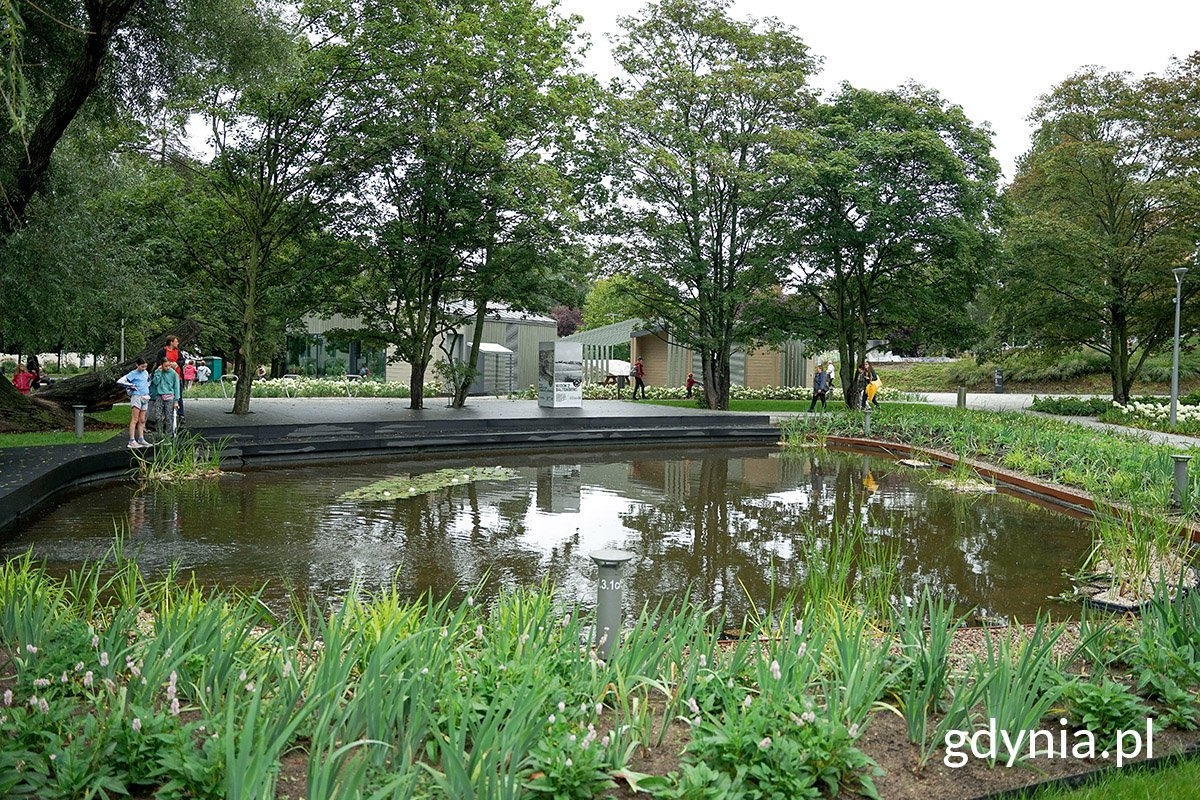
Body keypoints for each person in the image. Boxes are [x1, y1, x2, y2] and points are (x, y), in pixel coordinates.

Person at [117, 358, 151, 448]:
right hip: (136, 397)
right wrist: (131, 386)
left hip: (145, 396)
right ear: (137, 365)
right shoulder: (133, 374)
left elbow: (147, 382)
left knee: (142, 419)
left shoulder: (145, 373)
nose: (144, 368)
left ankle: (141, 438)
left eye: (145, 366)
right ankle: (131, 440)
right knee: (135, 419)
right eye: (142, 366)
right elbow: (120, 381)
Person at [157, 336, 184, 426]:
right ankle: (165, 415)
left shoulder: (178, 352)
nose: (177, 343)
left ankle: (180, 414)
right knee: (166, 394)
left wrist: (177, 363)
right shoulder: (162, 352)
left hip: (177, 375)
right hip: (166, 377)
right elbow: (159, 362)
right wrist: (167, 365)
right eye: (176, 341)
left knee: (178, 394)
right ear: (171, 342)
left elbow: (182, 361)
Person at [150, 357, 181, 437]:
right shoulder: (158, 371)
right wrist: (158, 372)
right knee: (158, 416)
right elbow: (155, 382)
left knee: (168, 416)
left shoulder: (173, 374)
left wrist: (176, 400)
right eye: (165, 366)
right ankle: (159, 434)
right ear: (161, 365)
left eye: (169, 366)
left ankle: (169, 435)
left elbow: (176, 387)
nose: (167, 368)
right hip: (159, 396)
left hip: (169, 396)